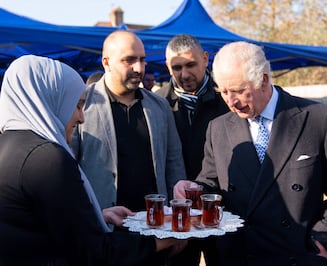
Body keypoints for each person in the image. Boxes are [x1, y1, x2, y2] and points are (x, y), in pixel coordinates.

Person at [174, 41, 327, 266]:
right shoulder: (218, 128)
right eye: (223, 91)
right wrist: (195, 189)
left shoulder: (318, 119)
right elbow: (212, 182)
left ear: (263, 79)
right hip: (239, 256)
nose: (231, 101)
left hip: (299, 255)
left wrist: (324, 241)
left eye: (239, 90)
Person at [0, 55, 186, 265]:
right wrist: (162, 239)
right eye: (77, 105)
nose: (81, 118)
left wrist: (97, 214)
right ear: (52, 100)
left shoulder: (9, 145)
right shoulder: (48, 159)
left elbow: (39, 221)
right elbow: (95, 253)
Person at [70, 30, 187, 264]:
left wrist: (179, 223)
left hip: (155, 235)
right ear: (106, 63)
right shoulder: (83, 104)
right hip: (106, 235)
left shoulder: (159, 106)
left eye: (142, 59)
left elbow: (174, 164)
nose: (139, 68)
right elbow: (69, 171)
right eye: (129, 60)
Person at [157, 34, 229, 266]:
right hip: (176, 215)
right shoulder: (157, 104)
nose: (184, 74)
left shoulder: (227, 100)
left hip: (221, 209)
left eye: (191, 65)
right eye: (176, 68)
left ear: (206, 59)